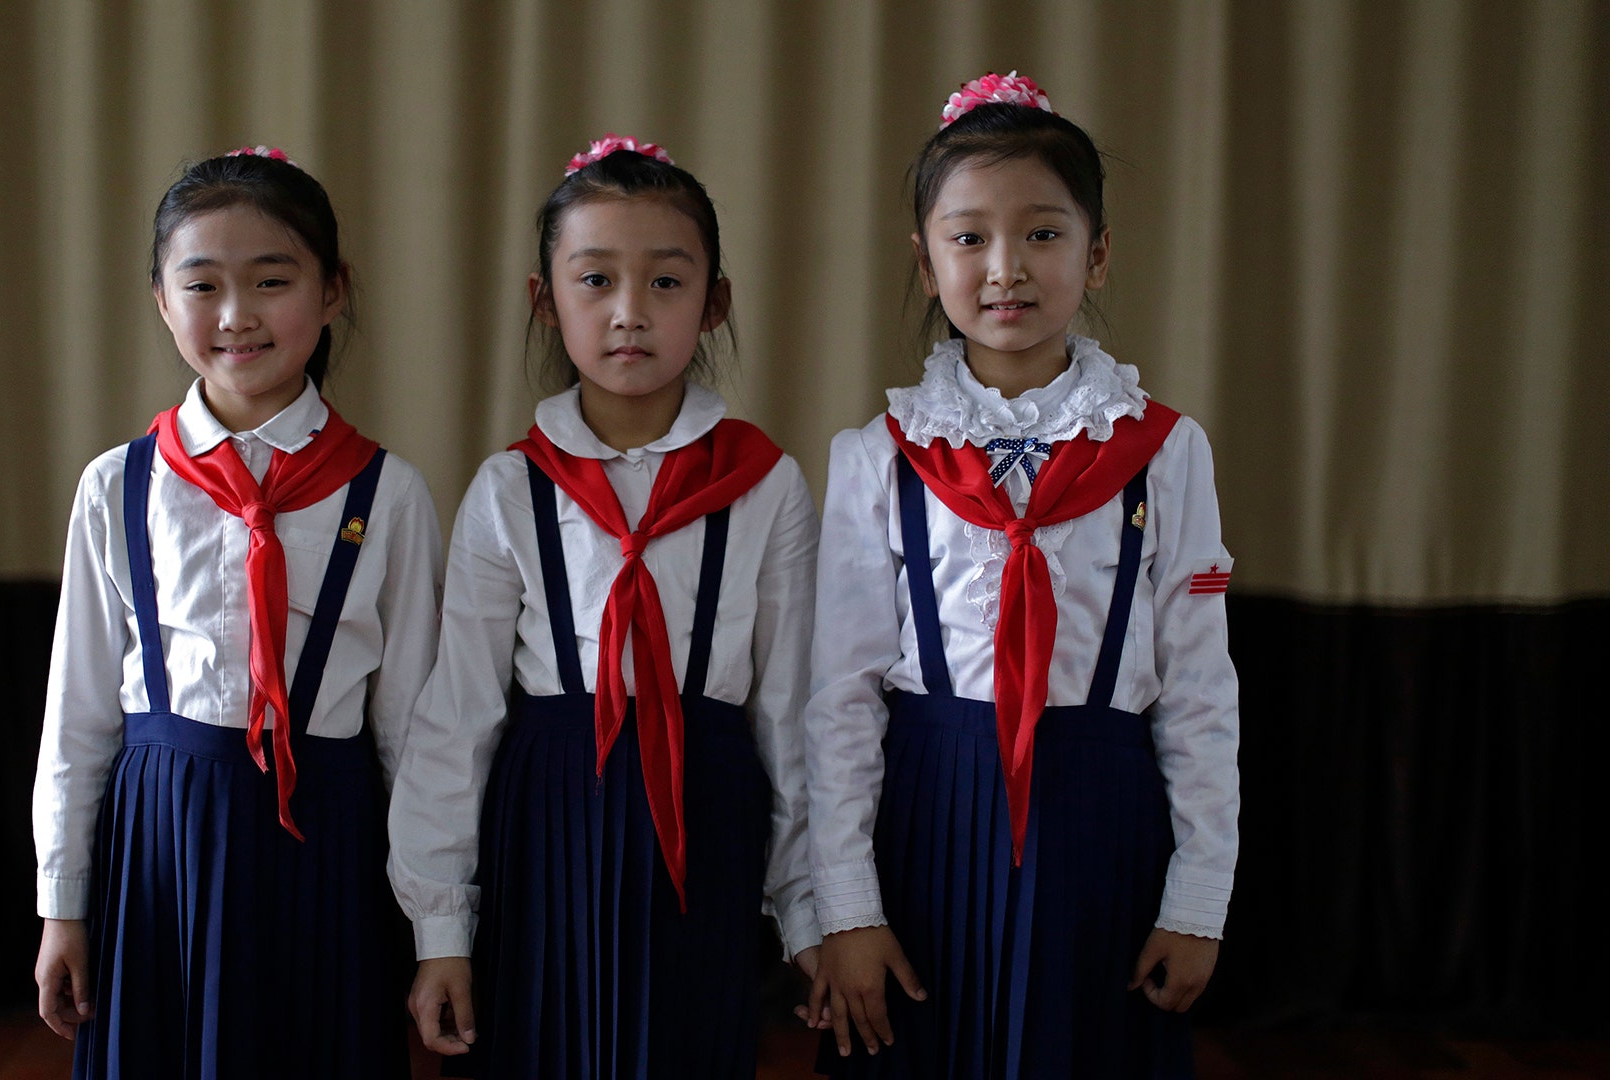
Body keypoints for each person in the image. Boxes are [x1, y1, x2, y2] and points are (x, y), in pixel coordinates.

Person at [804, 73, 1240, 1078]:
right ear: (924, 264)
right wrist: (848, 908)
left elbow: (1201, 687)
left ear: (1097, 256)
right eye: (969, 239)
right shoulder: (879, 456)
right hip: (928, 814)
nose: (1006, 268)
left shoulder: (1169, 451)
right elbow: (839, 701)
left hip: (1103, 823)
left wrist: (1198, 899)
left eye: (1043, 234)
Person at [389, 134, 823, 1079]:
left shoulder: (768, 484)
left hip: (704, 813)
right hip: (549, 811)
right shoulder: (510, 489)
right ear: (547, 300)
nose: (630, 313)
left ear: (716, 303)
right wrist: (440, 928)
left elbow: (790, 709)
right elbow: (456, 713)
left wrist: (809, 909)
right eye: (595, 281)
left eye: (666, 283)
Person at [30, 146, 441, 1077]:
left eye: (271, 280)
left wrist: (436, 926)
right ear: (161, 301)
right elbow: (79, 717)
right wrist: (64, 903)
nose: (236, 315)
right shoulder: (119, 487)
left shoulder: (389, 492)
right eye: (202, 284)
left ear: (334, 292)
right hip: (158, 844)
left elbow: (415, 732)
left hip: (327, 841)